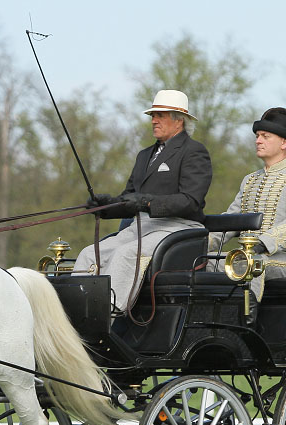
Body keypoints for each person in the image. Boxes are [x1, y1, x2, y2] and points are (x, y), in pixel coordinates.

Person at [73, 89, 212, 313]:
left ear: (179, 120)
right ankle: (79, 311)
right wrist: (105, 206)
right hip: (141, 227)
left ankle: (109, 313)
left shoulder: (194, 152)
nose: (154, 120)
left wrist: (147, 202)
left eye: (160, 115)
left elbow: (190, 201)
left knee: (124, 254)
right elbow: (130, 198)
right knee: (88, 254)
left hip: (178, 227)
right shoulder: (144, 156)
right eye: (152, 116)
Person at [209, 107, 286, 304]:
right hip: (247, 256)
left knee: (253, 263)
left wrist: (262, 245)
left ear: (284, 142)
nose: (258, 141)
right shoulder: (249, 180)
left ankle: (246, 322)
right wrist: (200, 243)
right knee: (203, 261)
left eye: (265, 136)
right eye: (258, 136)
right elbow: (230, 220)